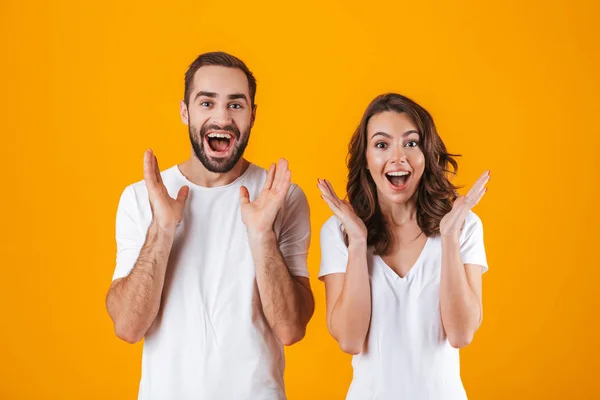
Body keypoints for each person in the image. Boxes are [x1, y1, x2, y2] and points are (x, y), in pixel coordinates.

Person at [105, 51, 314, 400]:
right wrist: (162, 230)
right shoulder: (141, 197)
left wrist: (262, 235)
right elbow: (127, 326)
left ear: (252, 115)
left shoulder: (281, 196)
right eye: (207, 103)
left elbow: (291, 329)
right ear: (185, 111)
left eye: (236, 105)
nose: (222, 117)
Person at [317, 93, 489, 399]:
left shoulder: (464, 226)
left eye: (411, 143)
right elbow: (350, 340)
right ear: (366, 160)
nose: (399, 158)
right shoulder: (339, 232)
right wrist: (357, 243)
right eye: (382, 145)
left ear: (427, 154)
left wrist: (449, 239)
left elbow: (462, 334)